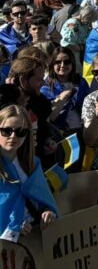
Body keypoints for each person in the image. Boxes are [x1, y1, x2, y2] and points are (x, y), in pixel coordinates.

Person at [0, 104, 57, 242]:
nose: (13, 136)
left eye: (21, 132)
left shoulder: (32, 163)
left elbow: (44, 199)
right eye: (6, 131)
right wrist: (13, 224)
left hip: (33, 236)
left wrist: (49, 212)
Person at [42, 46, 88, 137]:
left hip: (81, 130)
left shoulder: (81, 82)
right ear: (52, 64)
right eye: (58, 62)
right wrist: (63, 97)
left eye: (67, 62)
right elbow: (50, 117)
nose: (62, 65)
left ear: (72, 64)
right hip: (58, 132)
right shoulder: (45, 85)